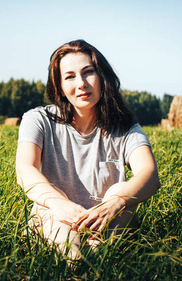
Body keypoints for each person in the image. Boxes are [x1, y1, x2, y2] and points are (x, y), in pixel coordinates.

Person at [16, 39, 160, 260]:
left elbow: (149, 175)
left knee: (120, 192)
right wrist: (58, 203)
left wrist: (115, 203)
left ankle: (99, 252)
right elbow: (25, 170)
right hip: (56, 214)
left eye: (88, 72)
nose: (81, 83)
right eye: (70, 76)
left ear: (103, 78)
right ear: (60, 87)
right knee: (70, 250)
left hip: (108, 219)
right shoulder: (38, 120)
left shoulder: (125, 128)